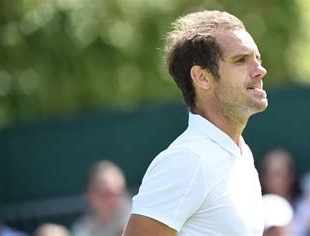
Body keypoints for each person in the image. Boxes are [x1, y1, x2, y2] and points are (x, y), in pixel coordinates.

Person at [124, 10, 268, 235]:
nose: (260, 70)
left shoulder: (241, 153)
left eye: (257, 58)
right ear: (202, 77)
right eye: (241, 60)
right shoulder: (187, 160)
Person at [72, 160, 131, 236]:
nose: (111, 200)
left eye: (116, 193)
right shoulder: (83, 228)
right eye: (104, 194)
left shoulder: (139, 219)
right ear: (90, 194)